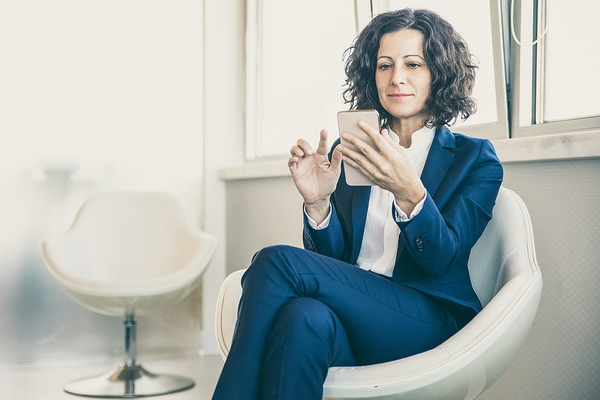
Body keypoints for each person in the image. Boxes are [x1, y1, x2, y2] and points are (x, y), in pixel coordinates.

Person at [212, 8, 503, 400]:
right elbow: (336, 263)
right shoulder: (348, 152)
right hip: (357, 312)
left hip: (426, 319)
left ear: (439, 73)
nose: (396, 77)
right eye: (385, 65)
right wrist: (318, 205)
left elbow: (440, 258)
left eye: (413, 64)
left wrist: (408, 192)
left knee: (275, 261)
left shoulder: (476, 159)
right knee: (303, 319)